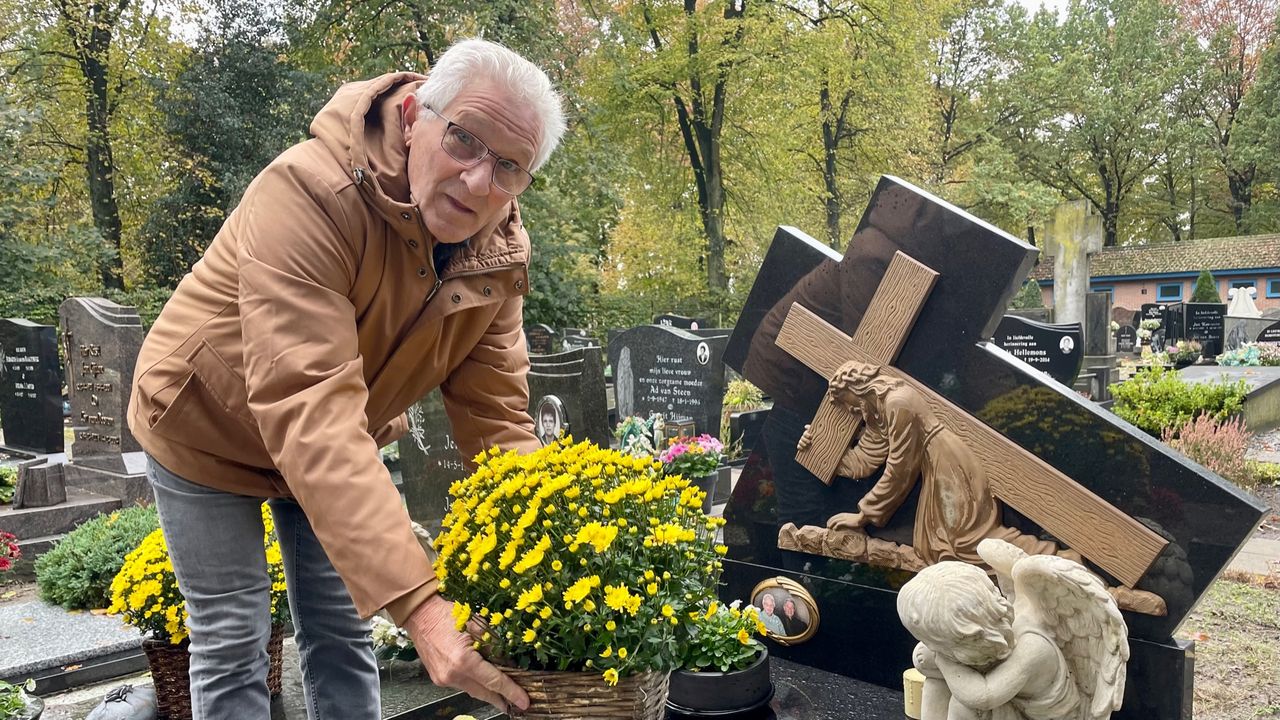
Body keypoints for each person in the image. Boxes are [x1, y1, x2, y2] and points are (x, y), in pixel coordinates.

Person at [127, 39, 566, 720]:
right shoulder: (307, 192)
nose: (480, 181)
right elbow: (309, 404)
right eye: (465, 141)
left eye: (509, 166)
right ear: (417, 114)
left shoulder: (498, 251)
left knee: (343, 632)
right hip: (205, 424)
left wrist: (553, 559)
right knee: (234, 637)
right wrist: (422, 607)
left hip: (340, 439)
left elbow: (499, 423)